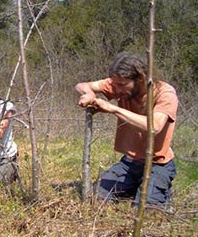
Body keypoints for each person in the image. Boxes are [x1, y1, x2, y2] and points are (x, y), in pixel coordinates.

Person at [75, 51, 178, 206]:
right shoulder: (118, 85)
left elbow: (154, 127)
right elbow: (82, 85)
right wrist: (89, 94)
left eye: (122, 85)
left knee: (146, 209)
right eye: (115, 84)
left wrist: (112, 109)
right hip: (129, 163)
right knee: (95, 197)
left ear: (141, 79)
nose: (116, 90)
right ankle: (134, 187)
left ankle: (156, 191)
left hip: (158, 164)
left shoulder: (165, 93)